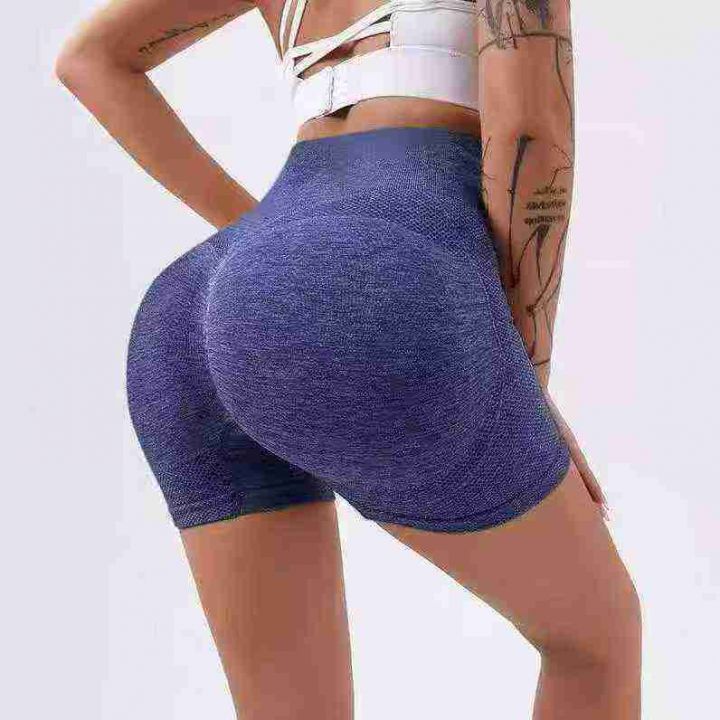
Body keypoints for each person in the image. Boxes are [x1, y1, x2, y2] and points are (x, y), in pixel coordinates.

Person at [55, 1, 642, 717]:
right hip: (370, 268)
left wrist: (265, 248)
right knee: (597, 641)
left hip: (190, 310)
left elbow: (90, 59)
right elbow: (529, 130)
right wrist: (524, 379)